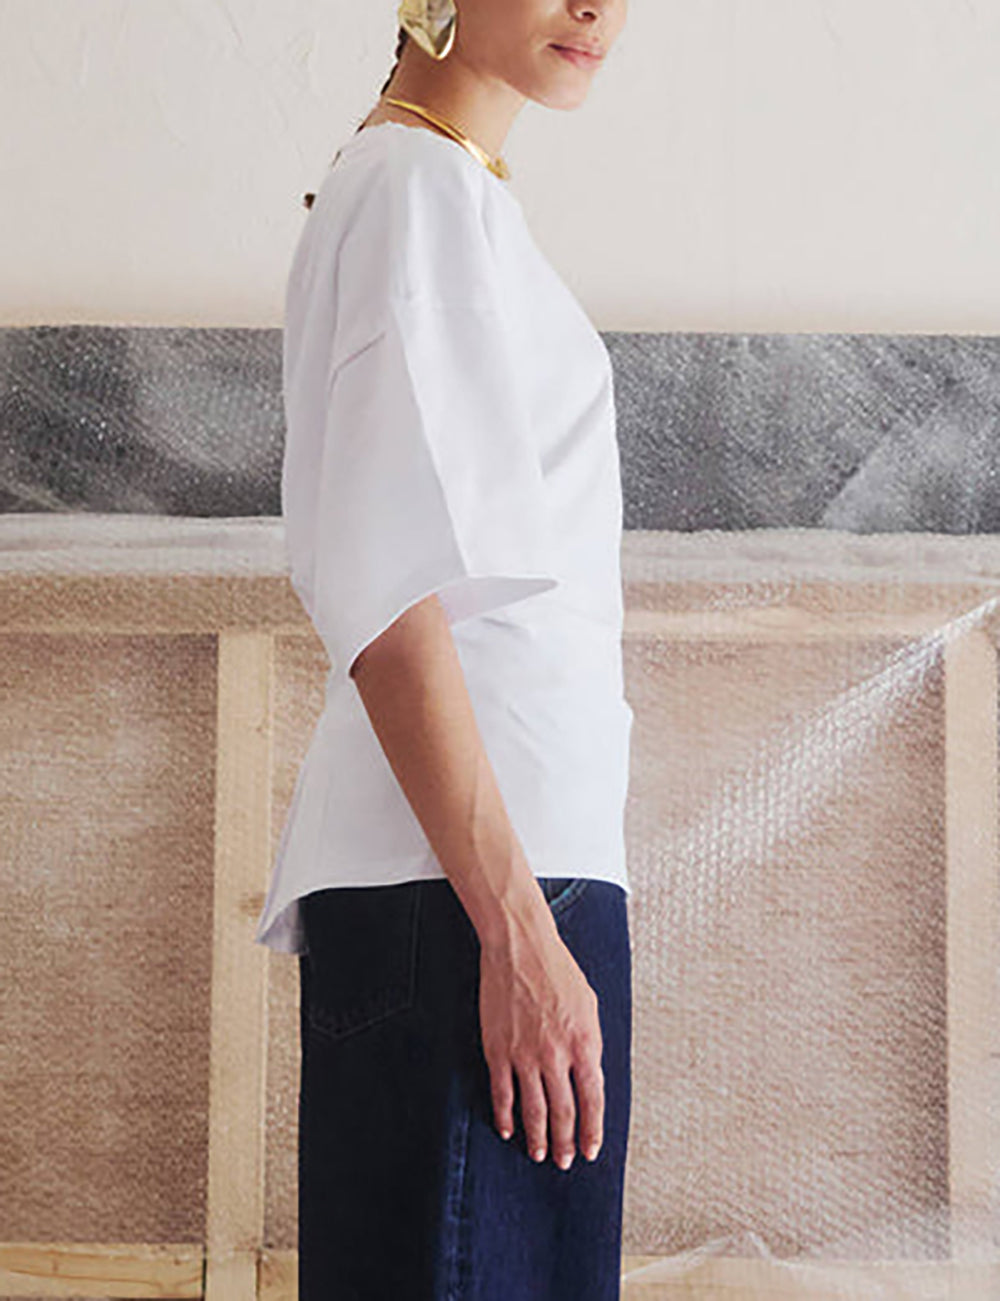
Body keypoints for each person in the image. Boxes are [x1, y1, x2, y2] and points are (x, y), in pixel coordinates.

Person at [255, 0, 633, 1295]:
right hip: (474, 891)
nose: (599, 7)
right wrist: (517, 931)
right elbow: (391, 601)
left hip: (488, 882)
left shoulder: (447, 193)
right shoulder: (410, 188)